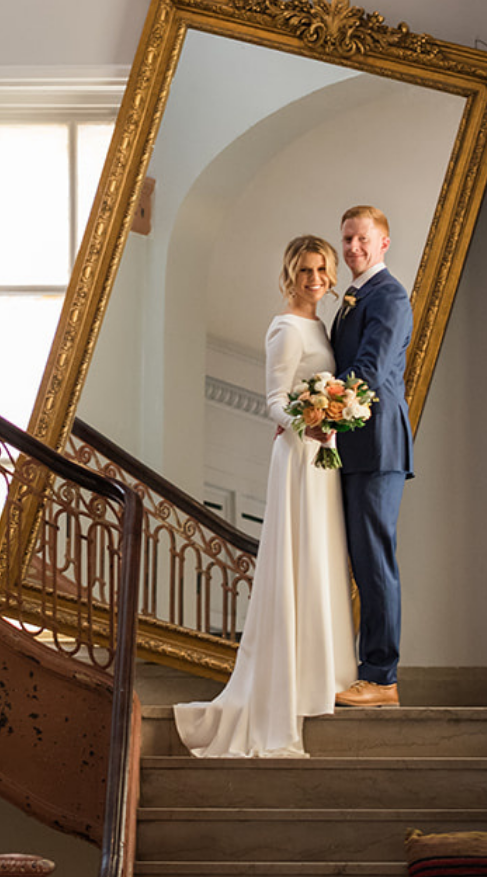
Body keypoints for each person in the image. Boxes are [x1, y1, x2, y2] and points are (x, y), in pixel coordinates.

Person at [174, 236, 357, 757]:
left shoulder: (322, 324)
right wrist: (313, 422)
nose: (315, 278)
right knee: (298, 561)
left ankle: (321, 674)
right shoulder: (285, 327)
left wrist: (334, 419)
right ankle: (289, 685)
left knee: (321, 560)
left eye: (322, 268)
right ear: (289, 274)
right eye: (305, 270)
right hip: (299, 457)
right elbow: (274, 402)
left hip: (322, 456)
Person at [330, 205, 414, 708]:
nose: (353, 248)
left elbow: (370, 370)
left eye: (362, 239)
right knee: (361, 560)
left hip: (377, 445)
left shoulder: (389, 295)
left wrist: (320, 411)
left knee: (375, 561)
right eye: (346, 239)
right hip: (353, 446)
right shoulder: (355, 296)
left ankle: (381, 678)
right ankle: (362, 670)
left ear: (383, 242)